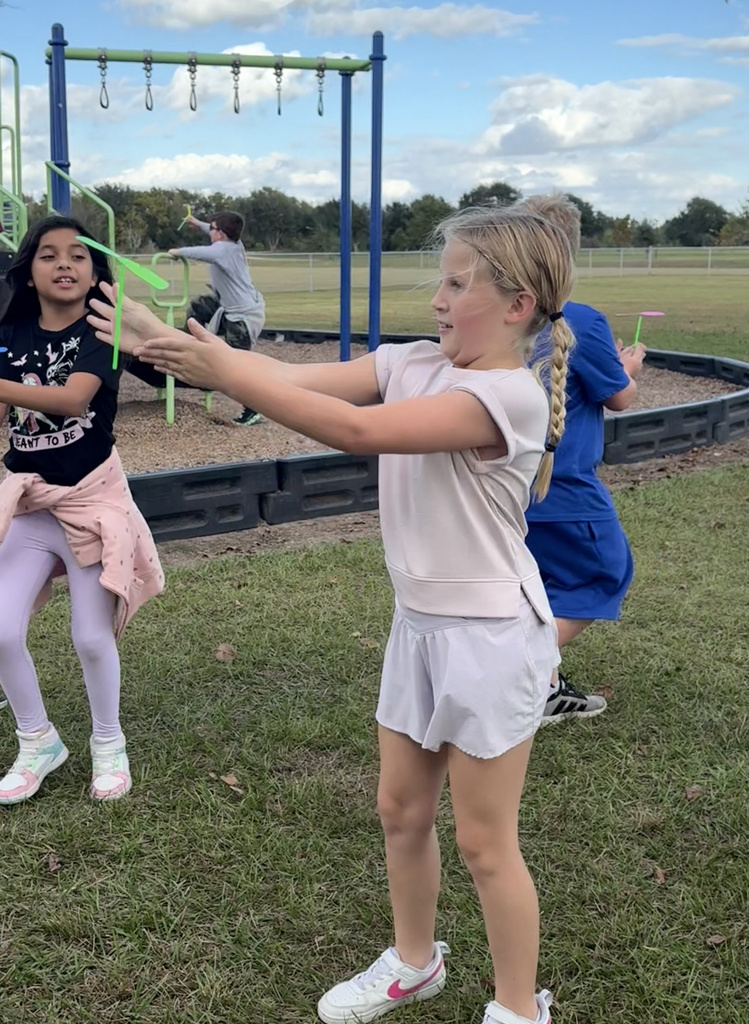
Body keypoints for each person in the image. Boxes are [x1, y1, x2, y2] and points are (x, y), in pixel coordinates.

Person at [89, 204, 576, 1024]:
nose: (439, 300)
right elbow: (286, 380)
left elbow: (353, 430)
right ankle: (414, 963)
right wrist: (162, 342)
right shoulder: (417, 361)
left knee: (485, 845)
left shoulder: (508, 398)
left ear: (518, 303)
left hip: (491, 639)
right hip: (419, 627)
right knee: (401, 811)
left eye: (458, 284)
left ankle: (518, 1009)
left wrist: (218, 371)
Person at [0, 216, 164, 805]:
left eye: (78, 254)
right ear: (29, 270)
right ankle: (38, 741)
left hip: (93, 505)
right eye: (48, 254)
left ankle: (108, 743)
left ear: (96, 271)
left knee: (92, 638)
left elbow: (72, 399)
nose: (64, 263)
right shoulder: (10, 330)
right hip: (32, 506)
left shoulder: (102, 330)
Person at [517, 194, 646, 725]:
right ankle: (521, 674)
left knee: (536, 585)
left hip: (504, 484)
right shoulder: (582, 321)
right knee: (606, 572)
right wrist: (628, 367)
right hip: (563, 483)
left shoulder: (496, 316)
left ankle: (542, 684)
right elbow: (618, 397)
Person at [171, 210, 266, 426]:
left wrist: (177, 251)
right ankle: (191, 346)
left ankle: (253, 409)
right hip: (228, 306)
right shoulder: (234, 243)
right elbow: (210, 230)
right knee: (199, 307)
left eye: (212, 228)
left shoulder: (222, 250)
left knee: (237, 365)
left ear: (221, 233)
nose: (209, 230)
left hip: (243, 316)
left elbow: (201, 253)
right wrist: (197, 223)